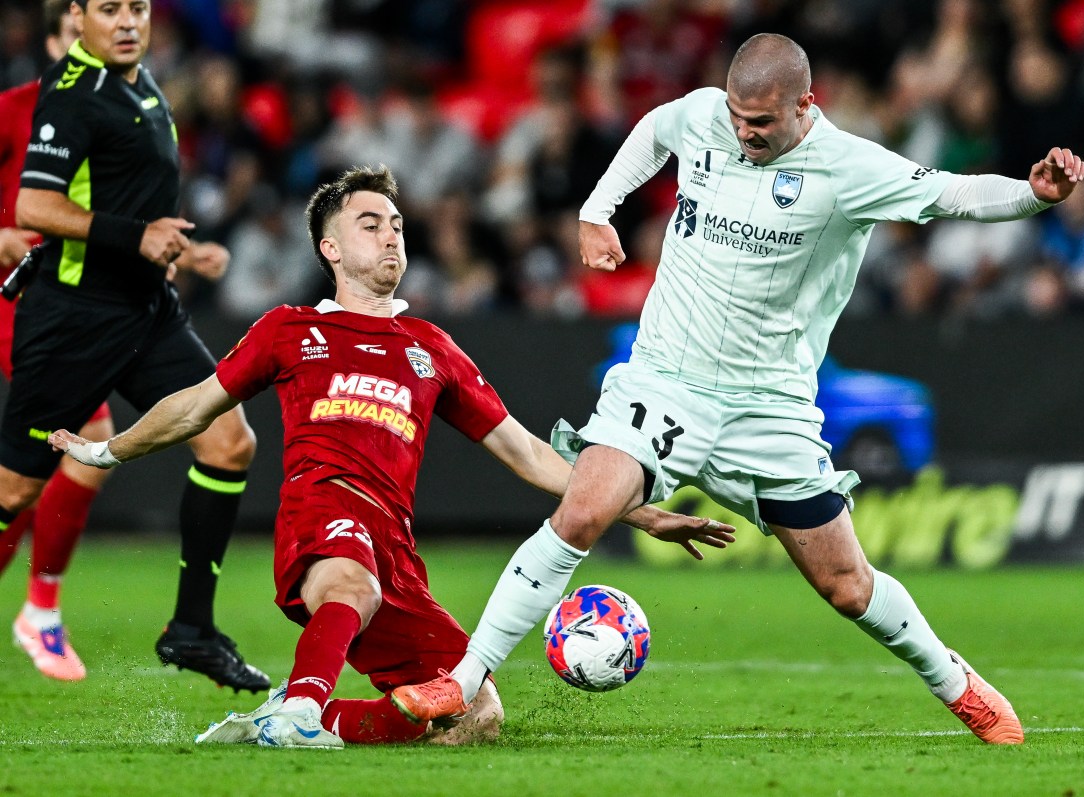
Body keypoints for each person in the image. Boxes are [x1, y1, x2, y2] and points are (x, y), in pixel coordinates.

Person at [393, 33, 1084, 745]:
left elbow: (953, 194)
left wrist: (1034, 195)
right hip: (666, 378)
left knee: (846, 585)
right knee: (581, 513)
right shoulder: (705, 116)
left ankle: (956, 683)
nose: (743, 133)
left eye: (760, 122)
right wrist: (598, 209)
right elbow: (654, 129)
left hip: (769, 406)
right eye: (736, 116)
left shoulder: (849, 166)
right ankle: (464, 680)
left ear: (805, 104)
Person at [50, 165, 733, 748]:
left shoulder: (431, 347)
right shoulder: (290, 329)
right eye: (371, 224)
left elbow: (524, 450)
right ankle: (301, 709)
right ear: (331, 248)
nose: (390, 236)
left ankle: (298, 722)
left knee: (474, 714)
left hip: (395, 550)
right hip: (323, 513)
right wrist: (107, 451)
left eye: (398, 225)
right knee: (352, 586)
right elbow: (194, 406)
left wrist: (637, 512)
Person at [10, 0, 266, 692]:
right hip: (76, 320)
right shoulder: (73, 94)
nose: (127, 22)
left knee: (227, 442)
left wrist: (175, 247)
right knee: (14, 489)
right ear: (77, 16)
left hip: (147, 310)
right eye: (109, 9)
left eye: (138, 7)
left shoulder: (142, 82)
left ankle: (192, 630)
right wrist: (137, 236)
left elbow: (127, 196)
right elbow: (33, 206)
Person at [0, 0, 113, 682]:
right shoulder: (14, 110)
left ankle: (39, 609)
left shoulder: (121, 114)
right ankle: (40, 609)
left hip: (87, 304)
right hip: (20, 300)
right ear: (52, 42)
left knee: (31, 471)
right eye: (75, 34)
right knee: (89, 441)